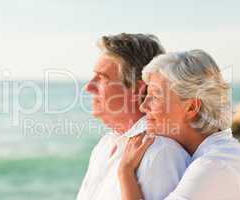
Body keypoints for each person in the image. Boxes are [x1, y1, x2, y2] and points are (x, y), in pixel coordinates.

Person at [118, 49, 240, 200]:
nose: (143, 107)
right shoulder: (217, 153)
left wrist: (125, 171)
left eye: (155, 97)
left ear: (191, 107)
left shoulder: (213, 164)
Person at [77, 33, 190, 200]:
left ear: (138, 89)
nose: (89, 87)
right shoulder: (104, 146)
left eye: (101, 78)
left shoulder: (161, 153)